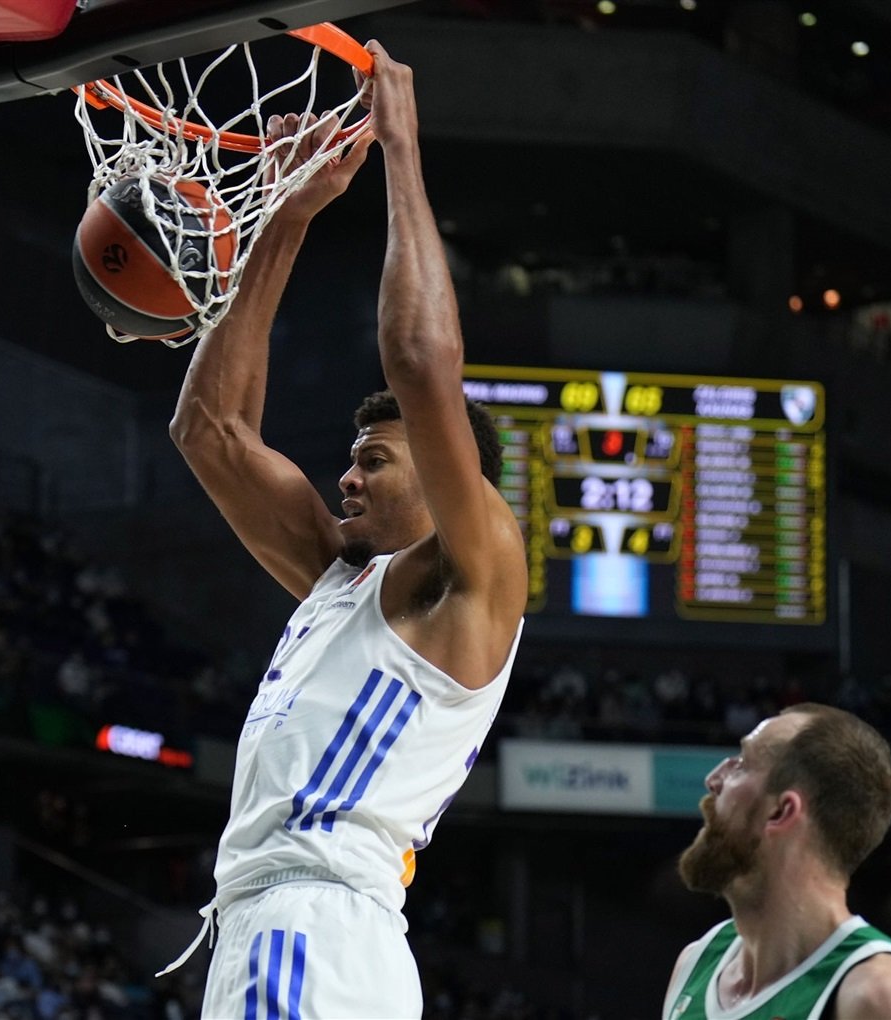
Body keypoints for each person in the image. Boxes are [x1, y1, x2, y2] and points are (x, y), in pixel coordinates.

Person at [165, 39, 527, 1019]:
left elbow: (419, 357)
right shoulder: (344, 575)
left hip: (312, 931)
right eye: (353, 456)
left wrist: (401, 152)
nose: (347, 474)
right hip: (309, 937)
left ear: (456, 479)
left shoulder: (472, 571)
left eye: (376, 459)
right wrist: (285, 212)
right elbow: (209, 430)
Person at [662, 703, 891, 1020]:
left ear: (781, 812)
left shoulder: (884, 996)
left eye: (742, 764)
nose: (714, 778)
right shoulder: (696, 963)